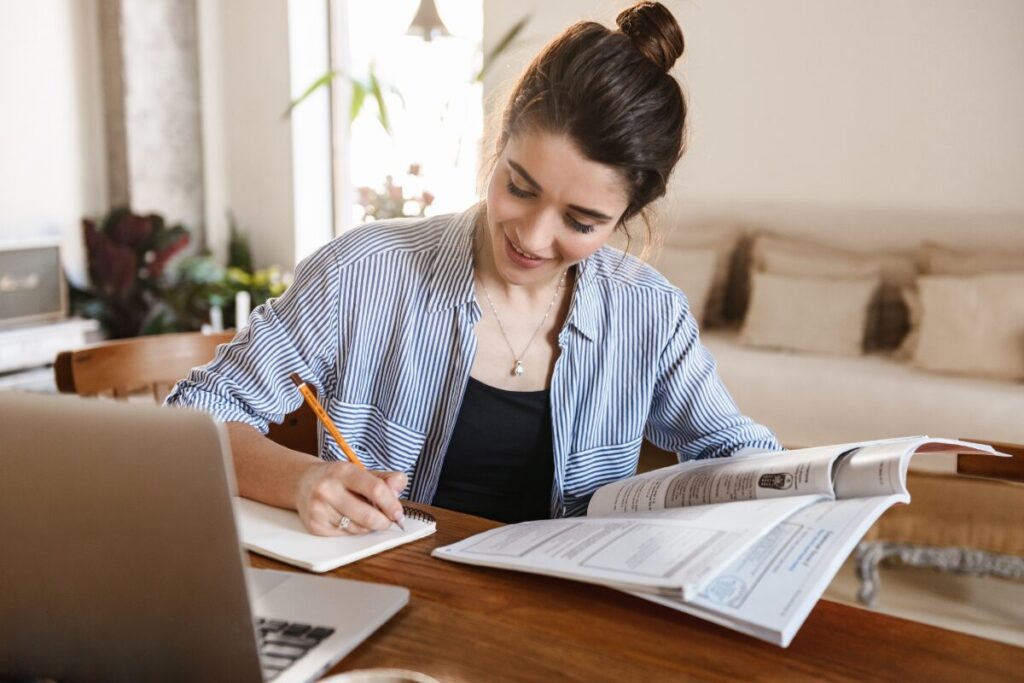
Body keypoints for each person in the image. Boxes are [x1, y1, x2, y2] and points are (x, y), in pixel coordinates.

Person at [166, 1, 780, 535]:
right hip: (393, 592)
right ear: (499, 140)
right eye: (519, 187)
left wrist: (800, 483)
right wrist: (304, 480)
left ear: (627, 216)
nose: (532, 237)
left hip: (562, 615)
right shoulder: (362, 273)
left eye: (580, 222)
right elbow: (194, 417)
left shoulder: (649, 312)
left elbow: (736, 451)